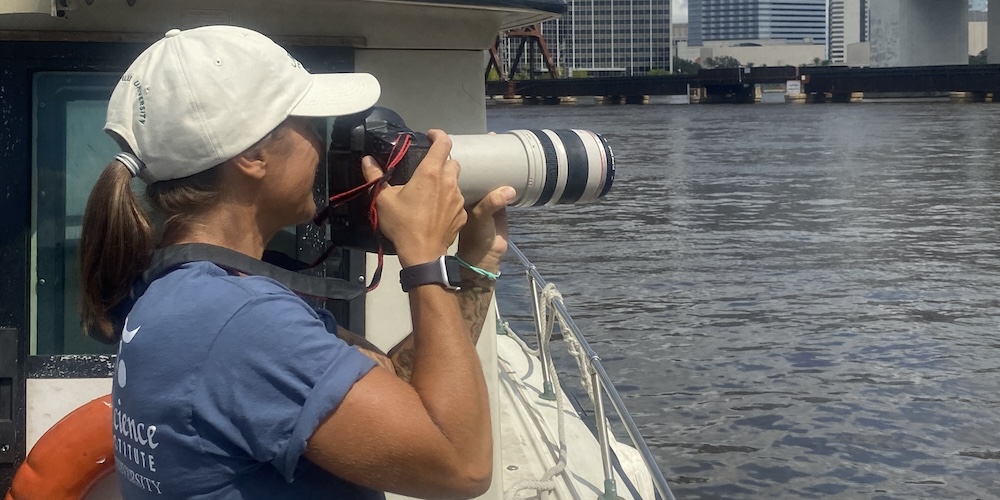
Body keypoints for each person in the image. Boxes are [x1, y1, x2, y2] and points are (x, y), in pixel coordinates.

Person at [79, 25, 512, 499]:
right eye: (307, 122)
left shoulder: (185, 293)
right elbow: (462, 466)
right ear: (252, 154)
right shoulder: (241, 321)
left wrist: (473, 264)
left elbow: (395, 392)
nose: (321, 142)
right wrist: (423, 253)